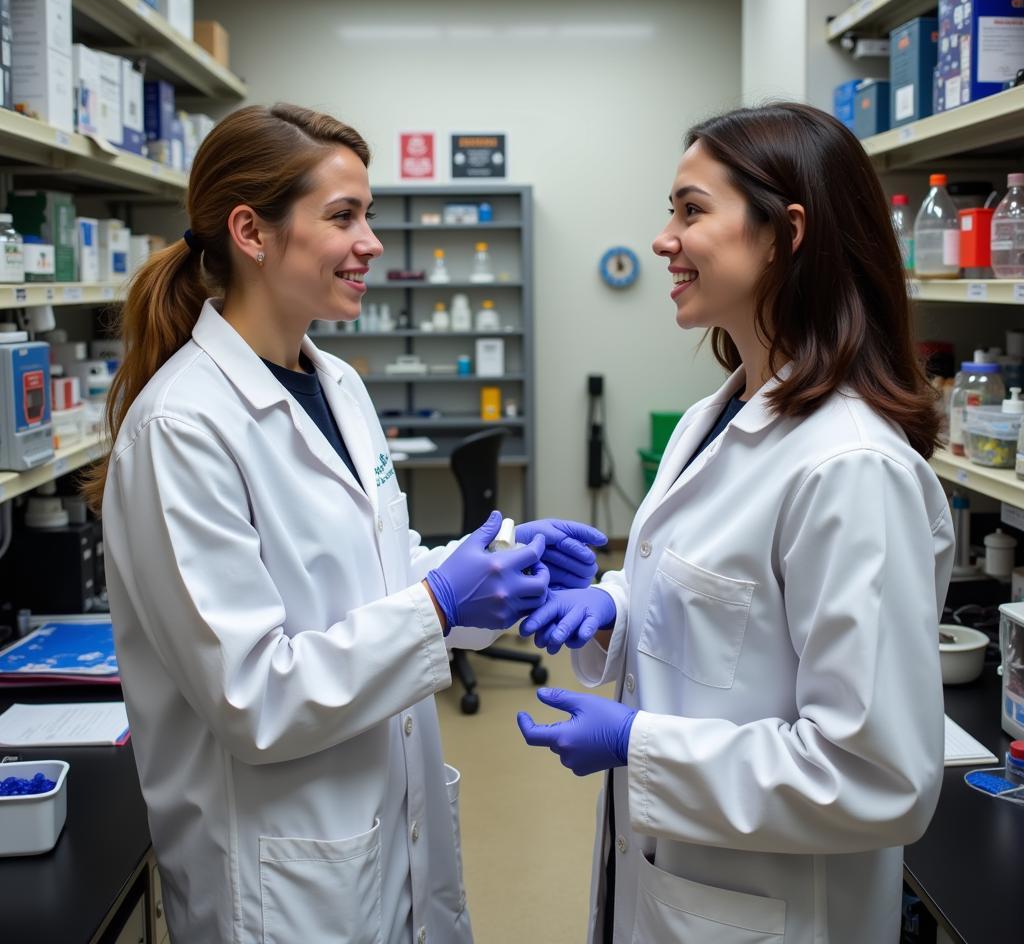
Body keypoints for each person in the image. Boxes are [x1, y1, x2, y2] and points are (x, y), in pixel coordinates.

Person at [84, 103, 605, 944]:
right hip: (275, 875)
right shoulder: (183, 426)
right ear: (252, 231)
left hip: (382, 827)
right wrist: (438, 604)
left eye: (366, 214)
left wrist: (497, 567)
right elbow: (252, 697)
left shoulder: (338, 387)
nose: (371, 243)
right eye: (343, 217)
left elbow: (376, 568)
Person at [516, 102, 953, 943]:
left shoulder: (851, 466)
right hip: (678, 884)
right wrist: (615, 602)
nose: (662, 239)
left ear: (785, 234)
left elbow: (876, 775)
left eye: (690, 210)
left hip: (774, 914)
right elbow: (731, 610)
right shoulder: (711, 420)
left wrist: (643, 745)